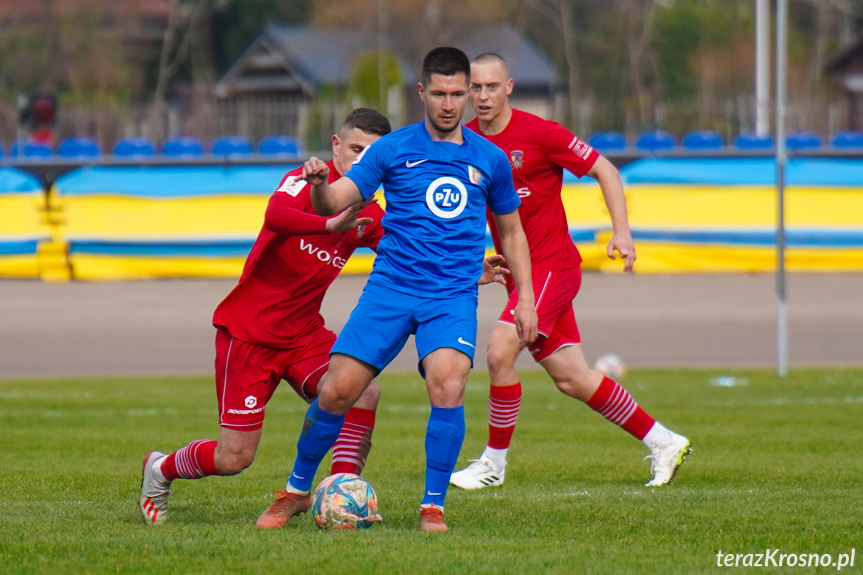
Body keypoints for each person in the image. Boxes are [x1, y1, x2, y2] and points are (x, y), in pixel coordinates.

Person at [254, 47, 538, 533]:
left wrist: (526, 298)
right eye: (440, 94)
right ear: (422, 93)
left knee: (449, 383)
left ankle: (433, 507)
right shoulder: (391, 149)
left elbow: (511, 232)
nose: (450, 105)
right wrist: (321, 184)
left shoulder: (490, 159)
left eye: (459, 94)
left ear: (469, 93)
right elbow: (336, 201)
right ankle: (296, 491)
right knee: (336, 389)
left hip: (450, 297)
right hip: (390, 288)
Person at [139, 108, 393, 526]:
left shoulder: (369, 214)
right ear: (335, 146)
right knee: (234, 457)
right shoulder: (309, 178)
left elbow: (410, 252)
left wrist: (471, 271)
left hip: (304, 335)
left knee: (363, 392)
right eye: (355, 149)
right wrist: (328, 224)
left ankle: (338, 494)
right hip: (249, 335)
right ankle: (160, 469)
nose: (361, 161)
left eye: (372, 155)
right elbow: (274, 216)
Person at [450, 53, 690, 491]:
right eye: (475, 88)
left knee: (500, 350)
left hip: (552, 268)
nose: (482, 96)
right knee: (572, 377)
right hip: (520, 276)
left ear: (509, 87)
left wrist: (622, 233)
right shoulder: (465, 141)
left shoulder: (541, 134)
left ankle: (493, 465)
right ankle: (664, 442)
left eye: (491, 86)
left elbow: (606, 170)